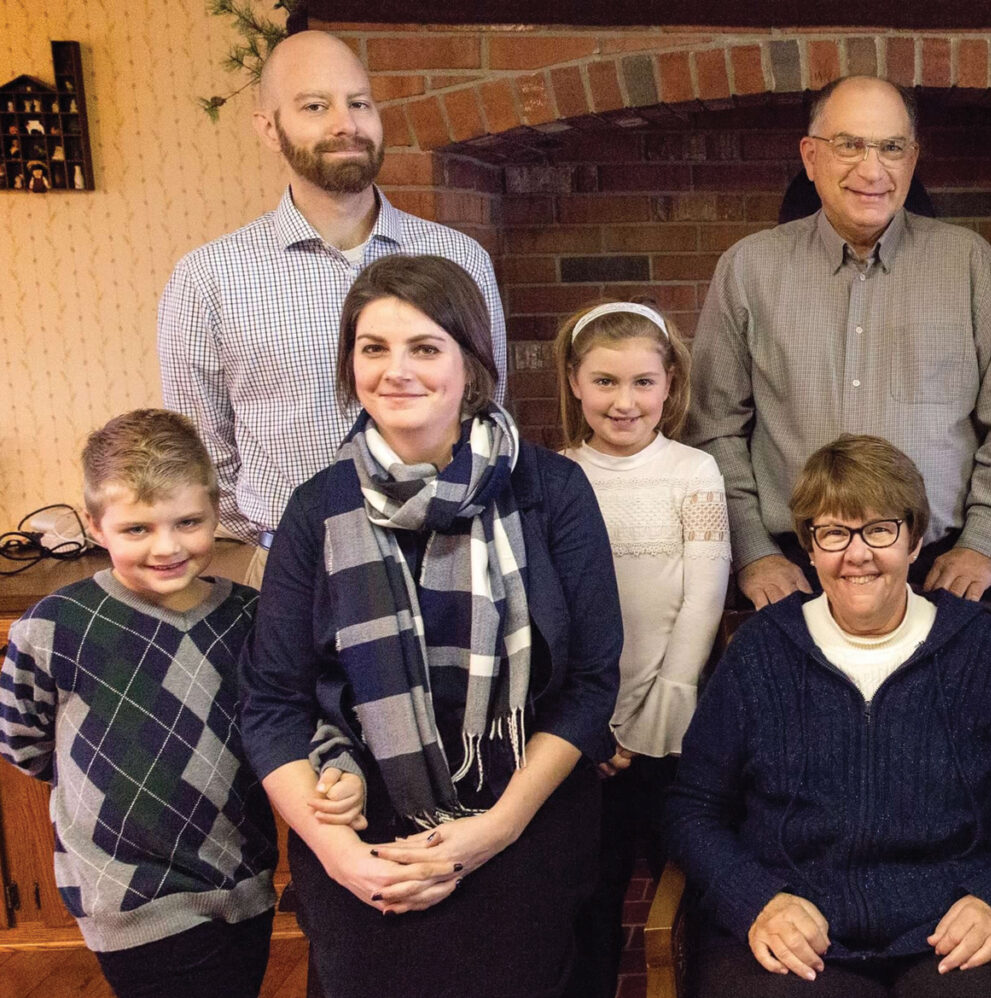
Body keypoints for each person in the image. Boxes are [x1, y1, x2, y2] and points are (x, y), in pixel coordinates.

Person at [240, 254, 621, 998]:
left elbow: (590, 685)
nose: (396, 370)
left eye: (424, 347)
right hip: (364, 832)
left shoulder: (552, 490)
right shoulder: (318, 508)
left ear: (471, 363)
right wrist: (339, 853)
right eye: (373, 347)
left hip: (522, 819)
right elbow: (272, 704)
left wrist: (497, 829)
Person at [665, 434, 991, 998]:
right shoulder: (761, 651)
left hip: (955, 929)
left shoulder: (982, 649)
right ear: (809, 548)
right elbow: (693, 808)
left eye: (879, 529)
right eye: (833, 532)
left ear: (915, 540)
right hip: (799, 931)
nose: (857, 554)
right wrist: (755, 900)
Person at [158, 29, 507, 586]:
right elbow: (201, 450)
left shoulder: (458, 257)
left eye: (359, 103)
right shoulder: (209, 278)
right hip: (294, 568)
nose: (346, 123)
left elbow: (485, 403)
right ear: (269, 128)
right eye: (315, 106)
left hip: (448, 560)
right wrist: (277, 535)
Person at [686, 75, 991, 609]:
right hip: (793, 576)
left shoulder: (969, 265)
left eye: (891, 148)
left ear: (912, 159)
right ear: (811, 156)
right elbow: (712, 426)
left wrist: (985, 538)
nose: (872, 169)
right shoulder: (748, 269)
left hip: (943, 573)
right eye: (849, 145)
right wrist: (752, 551)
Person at [0, 409, 279, 998]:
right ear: (95, 525)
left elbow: (275, 725)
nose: (167, 547)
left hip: (242, 879)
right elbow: (24, 742)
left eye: (188, 522)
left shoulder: (250, 617)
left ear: (215, 508)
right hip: (127, 895)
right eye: (137, 530)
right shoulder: (54, 626)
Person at [555, 301, 731, 997]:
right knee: (591, 892)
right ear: (573, 382)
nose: (623, 402)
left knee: (681, 882)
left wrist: (661, 713)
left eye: (641, 383)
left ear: (670, 384)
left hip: (671, 721)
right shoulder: (557, 476)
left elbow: (703, 597)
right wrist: (590, 724)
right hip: (585, 728)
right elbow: (555, 614)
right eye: (604, 382)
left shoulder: (695, 473)